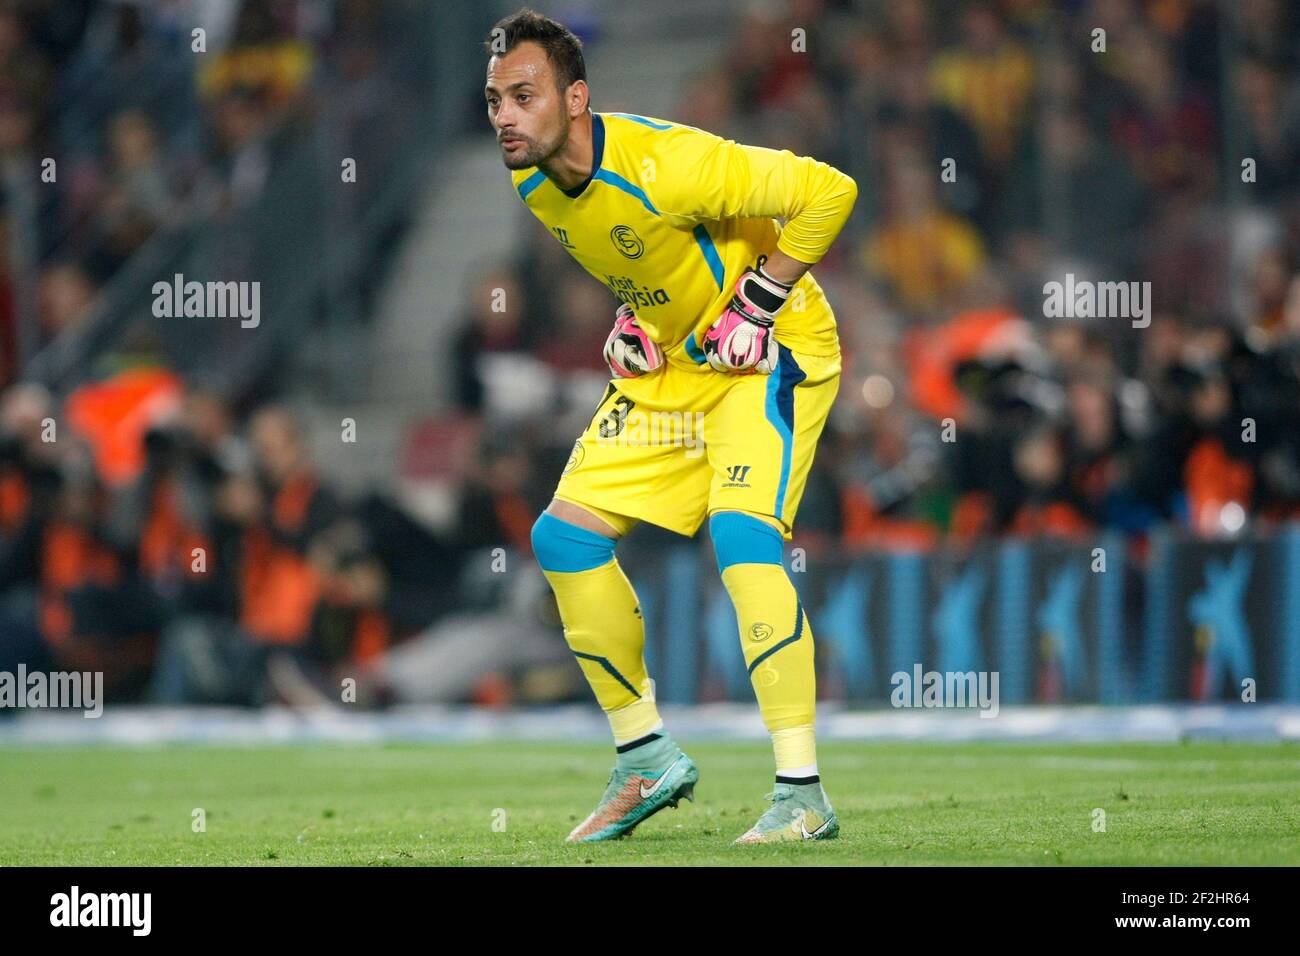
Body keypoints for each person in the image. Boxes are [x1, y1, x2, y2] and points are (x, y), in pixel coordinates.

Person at [485, 9, 858, 844]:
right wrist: (640, 316)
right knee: (564, 539)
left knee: (742, 539)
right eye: (494, 99)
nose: (505, 115)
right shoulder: (533, 182)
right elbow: (647, 258)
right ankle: (644, 755)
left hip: (773, 350)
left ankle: (803, 792)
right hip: (683, 364)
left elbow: (830, 191)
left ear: (576, 98)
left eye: (524, 95)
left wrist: (759, 301)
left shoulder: (673, 163)